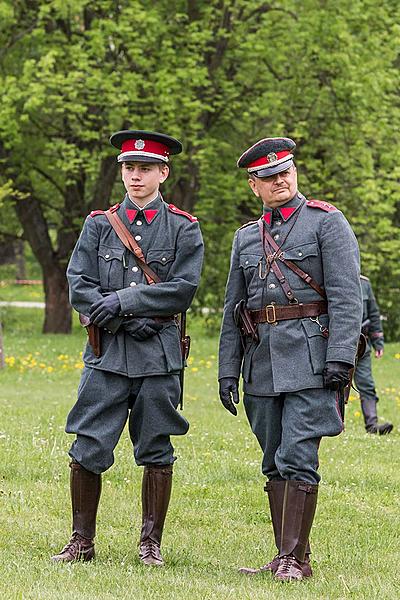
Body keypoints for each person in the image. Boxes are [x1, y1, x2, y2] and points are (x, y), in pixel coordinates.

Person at [52, 130, 204, 566]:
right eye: (129, 168)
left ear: (163, 173)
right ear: (122, 172)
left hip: (158, 357)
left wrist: (123, 301)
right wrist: (120, 317)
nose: (136, 177)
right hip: (107, 356)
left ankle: (150, 544)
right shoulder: (99, 224)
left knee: (157, 448)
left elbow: (182, 290)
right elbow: (79, 285)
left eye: (145, 169)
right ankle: (82, 541)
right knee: (87, 445)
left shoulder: (183, 227)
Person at [218, 137, 362, 581]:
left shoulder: (327, 223)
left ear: (294, 173)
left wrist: (341, 356)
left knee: (298, 454)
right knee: (273, 460)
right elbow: (234, 309)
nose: (279, 180)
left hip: (312, 358)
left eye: (285, 172)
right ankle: (286, 555)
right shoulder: (246, 238)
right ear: (253, 185)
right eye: (268, 176)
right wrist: (227, 370)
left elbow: (346, 296)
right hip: (261, 364)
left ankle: (295, 561)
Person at [354, 275, 392, 434]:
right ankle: (332, 426)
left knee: (367, 383)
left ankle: (372, 425)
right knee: (334, 385)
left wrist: (378, 342)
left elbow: (373, 314)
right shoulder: (330, 278)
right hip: (334, 342)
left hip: (362, 344)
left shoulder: (365, 283)